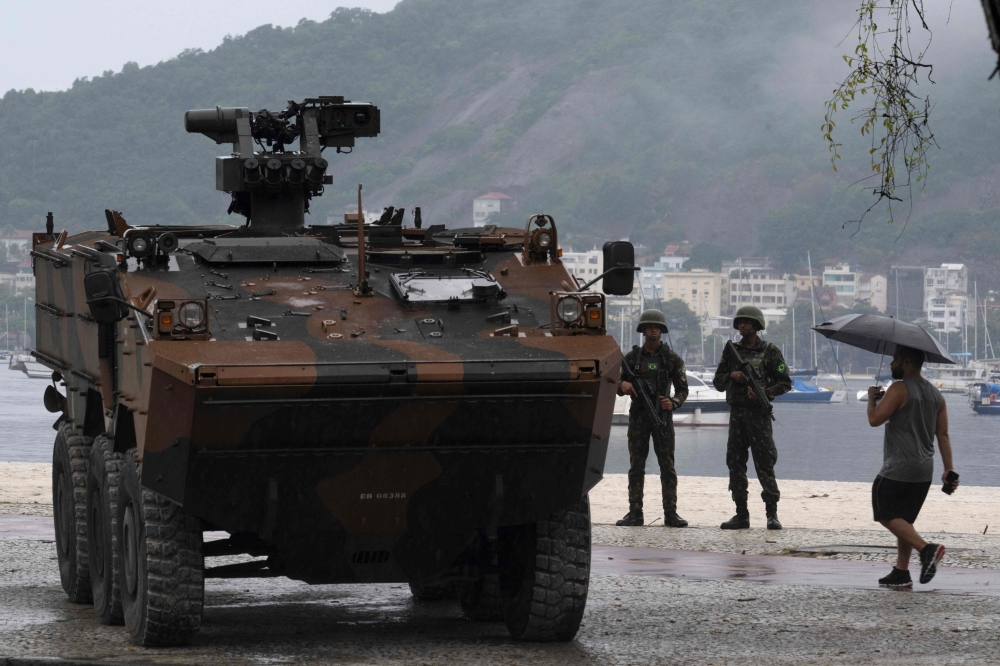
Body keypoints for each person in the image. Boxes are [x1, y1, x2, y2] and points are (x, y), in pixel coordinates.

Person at [867, 345, 958, 588]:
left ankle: (927, 549)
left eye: (895, 359)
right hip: (924, 470)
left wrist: (871, 400)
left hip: (898, 467)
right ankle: (901, 571)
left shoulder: (899, 388)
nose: (890, 364)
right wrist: (948, 469)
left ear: (907, 362)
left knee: (886, 514)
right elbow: (943, 434)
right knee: (904, 520)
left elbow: (875, 420)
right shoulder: (936, 395)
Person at [713, 305, 791, 530]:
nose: (743, 325)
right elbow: (718, 382)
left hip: (759, 416)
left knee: (765, 463)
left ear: (757, 325)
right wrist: (731, 375)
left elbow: (785, 382)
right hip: (737, 415)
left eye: (747, 322)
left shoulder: (770, 351)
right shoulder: (731, 351)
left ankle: (772, 514)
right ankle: (741, 514)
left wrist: (763, 392)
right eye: (740, 322)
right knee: (735, 463)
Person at [615, 309, 689, 528]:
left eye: (657, 327)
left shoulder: (672, 359)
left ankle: (671, 513)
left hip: (662, 418)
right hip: (638, 418)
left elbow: (683, 389)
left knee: (667, 467)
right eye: (649, 327)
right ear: (644, 330)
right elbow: (617, 385)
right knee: (636, 466)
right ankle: (635, 512)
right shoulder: (631, 358)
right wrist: (623, 385)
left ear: (662, 330)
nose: (653, 330)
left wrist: (674, 402)